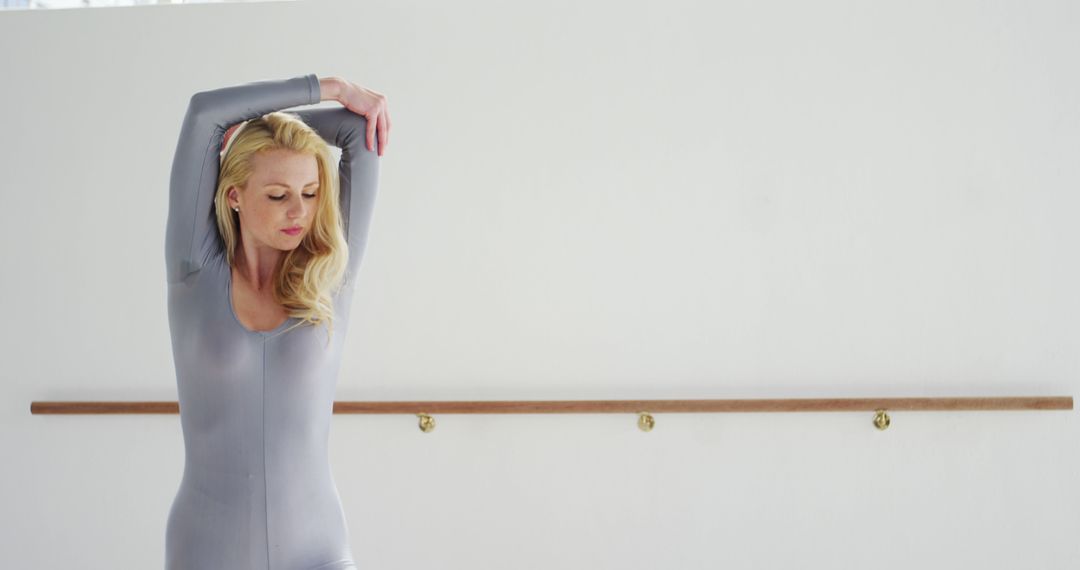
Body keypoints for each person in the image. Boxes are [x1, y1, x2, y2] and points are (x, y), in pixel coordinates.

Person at [163, 73, 390, 569]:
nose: (299, 212)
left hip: (318, 551)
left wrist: (254, 132)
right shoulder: (194, 272)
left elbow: (359, 132)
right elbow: (204, 114)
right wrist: (326, 86)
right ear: (234, 196)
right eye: (277, 195)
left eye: (310, 193)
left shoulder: (331, 273)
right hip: (206, 551)